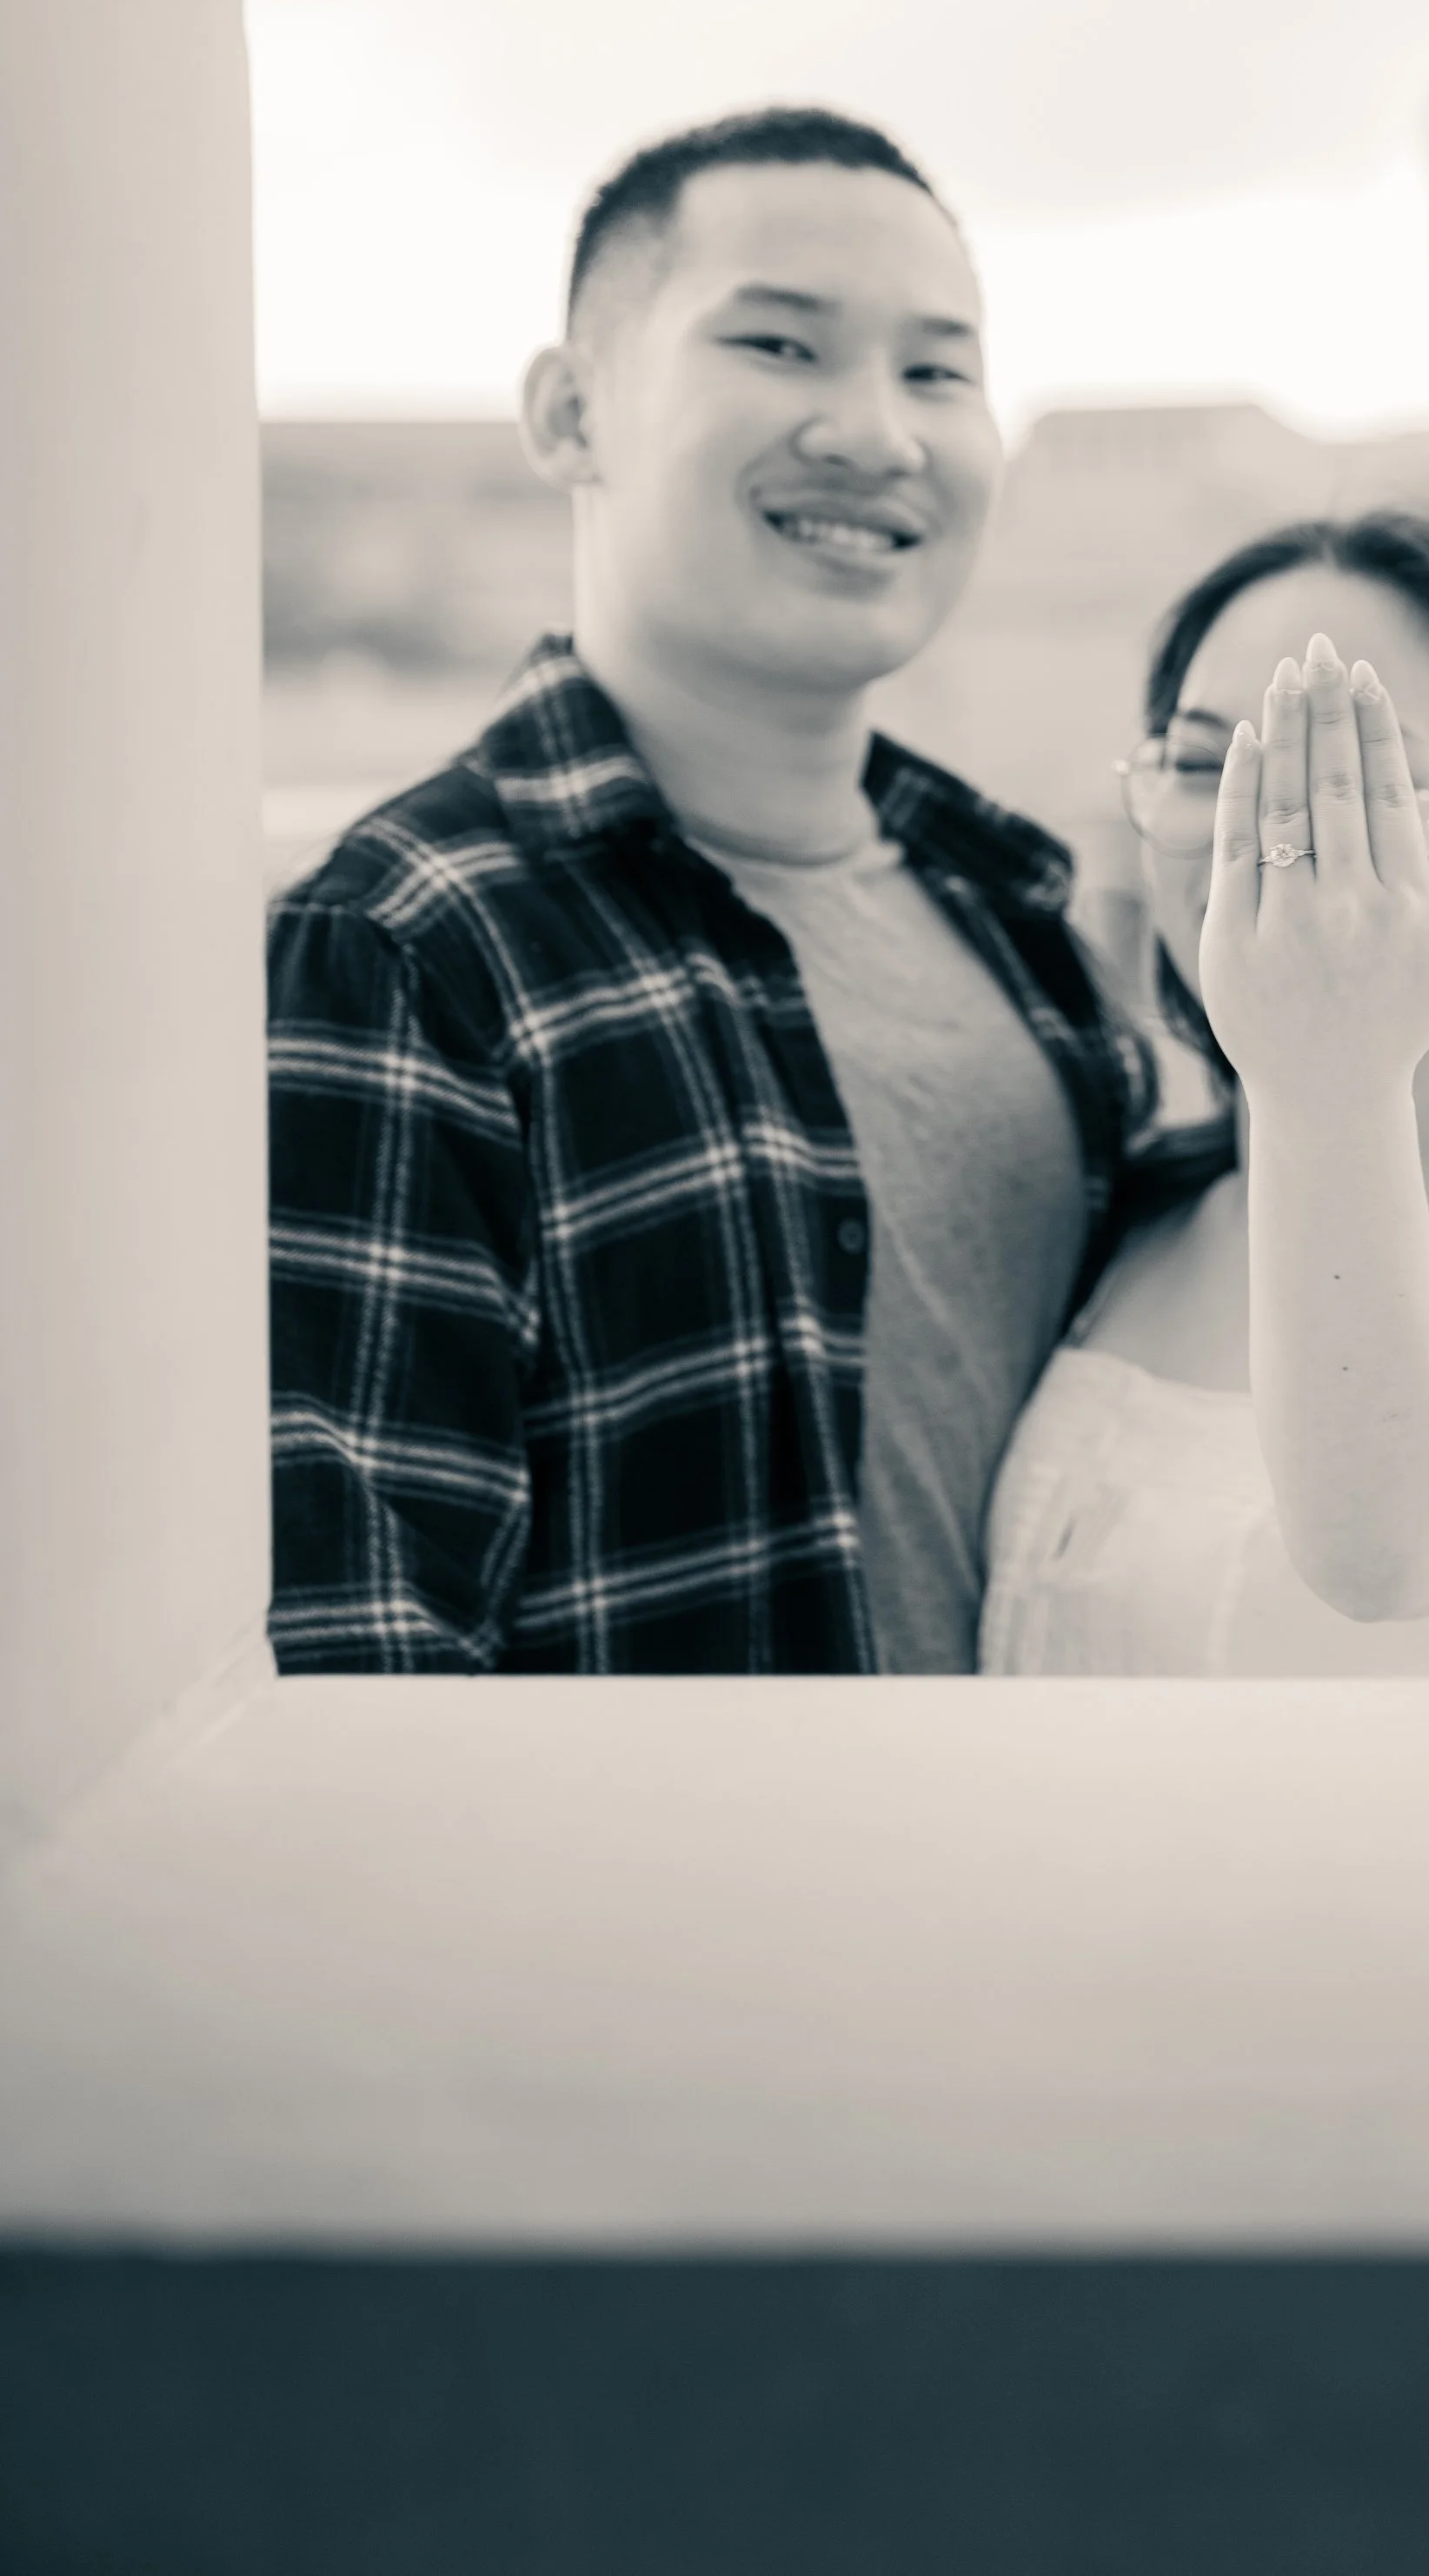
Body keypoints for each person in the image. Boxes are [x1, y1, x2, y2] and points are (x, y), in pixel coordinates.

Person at [267, 105, 1171, 1674]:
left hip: (1061, 1894)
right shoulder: (411, 944)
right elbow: (358, 1643)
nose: (877, 433)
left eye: (937, 370)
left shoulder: (1022, 917)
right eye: (780, 346)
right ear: (570, 415)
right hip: (663, 1912)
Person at [979, 512, 1429, 1678]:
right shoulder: (1145, 1210)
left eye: (1350, 770)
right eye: (1199, 763)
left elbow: (1389, 1551)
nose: (1256, 827)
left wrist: (1327, 1075)